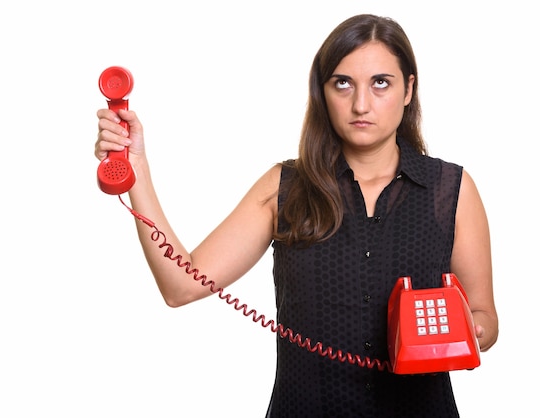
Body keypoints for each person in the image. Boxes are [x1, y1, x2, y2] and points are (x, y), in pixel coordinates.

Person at [94, 13, 498, 417]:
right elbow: (180, 286)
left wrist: (467, 331)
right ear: (323, 92)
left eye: (380, 83)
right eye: (343, 83)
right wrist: (137, 171)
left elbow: (485, 317)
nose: (361, 104)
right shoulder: (283, 187)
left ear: (408, 89)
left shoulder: (452, 190)